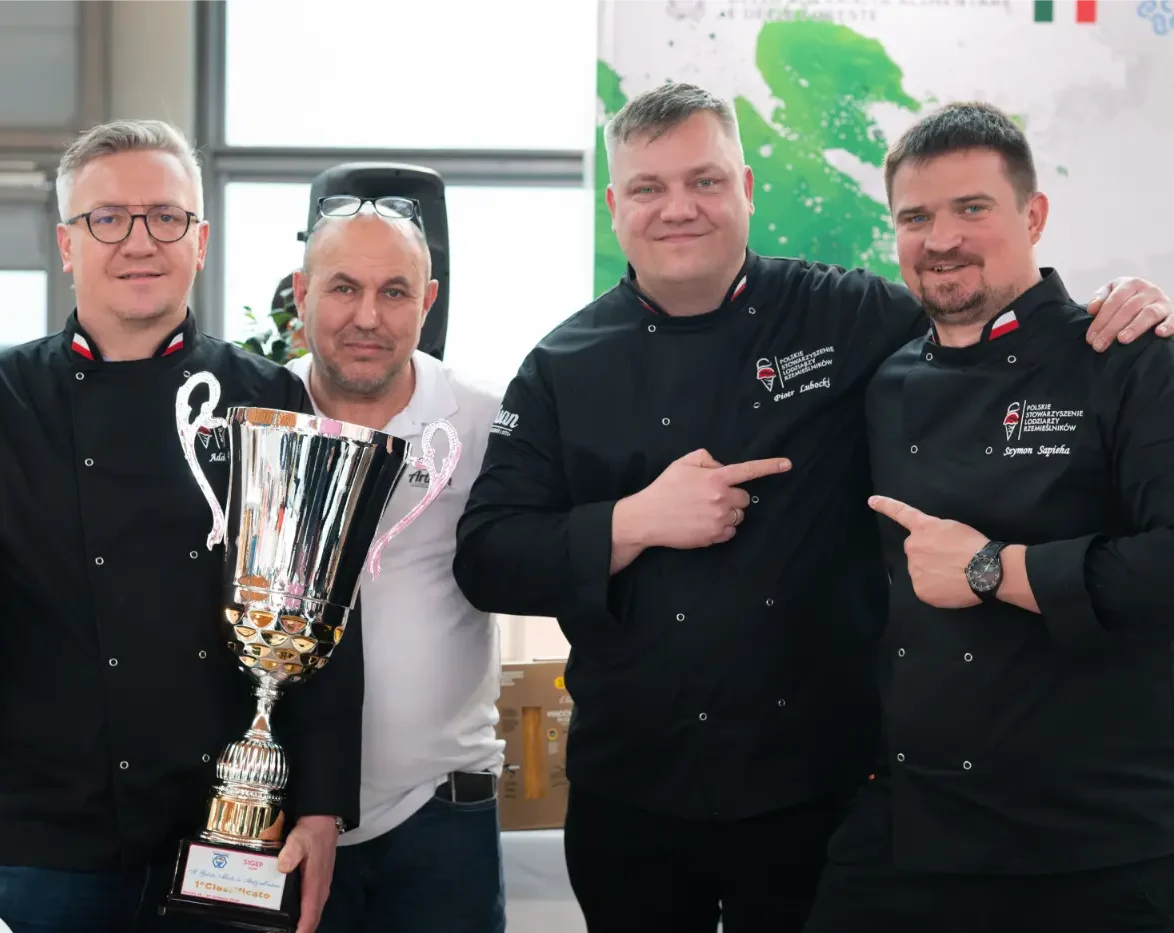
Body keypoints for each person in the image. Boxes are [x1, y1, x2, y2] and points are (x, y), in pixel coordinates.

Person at [451, 82, 1174, 933]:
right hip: (634, 784)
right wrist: (632, 521)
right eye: (649, 187)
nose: (679, 208)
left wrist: (1120, 305)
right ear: (615, 205)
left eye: (705, 180)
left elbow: (981, 312)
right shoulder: (559, 365)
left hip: (818, 788)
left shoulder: (853, 313)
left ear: (746, 188)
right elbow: (487, 556)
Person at [801, 101, 1174, 933]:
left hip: (1095, 840)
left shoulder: (1130, 360)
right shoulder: (888, 380)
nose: (942, 239)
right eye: (916, 217)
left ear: (1033, 216)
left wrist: (991, 568)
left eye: (972, 208)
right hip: (912, 826)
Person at [0, 120, 361, 933]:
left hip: (231, 830)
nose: (140, 241)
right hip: (41, 839)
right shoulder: (7, 397)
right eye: (108, 218)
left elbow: (328, 614)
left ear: (199, 241)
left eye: (166, 216)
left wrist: (321, 806)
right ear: (66, 244)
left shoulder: (268, 398)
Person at [286, 197, 506, 933]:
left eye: (394, 291)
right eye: (344, 287)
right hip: (279, 808)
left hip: (441, 813)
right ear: (302, 293)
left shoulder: (485, 419)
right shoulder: (257, 413)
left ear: (428, 301)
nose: (368, 317)